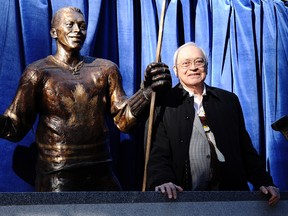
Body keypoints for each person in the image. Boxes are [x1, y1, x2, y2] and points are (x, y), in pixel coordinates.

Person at [0, 6, 171, 192]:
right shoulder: (37, 73)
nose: (77, 30)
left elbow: (124, 121)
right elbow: (14, 127)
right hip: (57, 174)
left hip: (101, 171)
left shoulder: (106, 69)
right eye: (70, 24)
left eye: (82, 26)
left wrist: (146, 93)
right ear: (53, 32)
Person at [146, 42, 280, 206]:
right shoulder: (163, 104)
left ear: (206, 67)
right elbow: (157, 152)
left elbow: (245, 149)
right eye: (186, 63)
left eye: (199, 62)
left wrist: (264, 181)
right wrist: (163, 180)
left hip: (229, 198)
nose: (193, 67)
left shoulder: (228, 101)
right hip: (183, 198)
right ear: (175, 70)